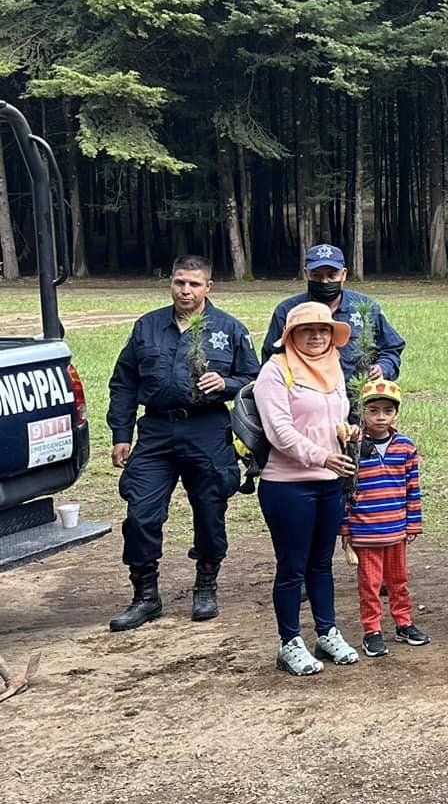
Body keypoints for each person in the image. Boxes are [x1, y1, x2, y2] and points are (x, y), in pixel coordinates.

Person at [104, 255, 259, 632]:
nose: (185, 290)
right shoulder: (147, 327)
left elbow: (255, 379)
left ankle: (206, 584)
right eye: (179, 282)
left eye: (193, 284)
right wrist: (122, 435)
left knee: (209, 511)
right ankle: (145, 596)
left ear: (209, 287)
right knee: (140, 514)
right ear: (170, 283)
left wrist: (227, 384)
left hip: (207, 430)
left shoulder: (229, 329)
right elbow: (123, 382)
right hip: (156, 432)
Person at [252, 301, 360, 676]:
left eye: (324, 330)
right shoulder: (276, 371)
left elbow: (338, 416)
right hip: (288, 485)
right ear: (291, 336)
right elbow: (280, 432)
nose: (317, 336)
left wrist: (347, 431)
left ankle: (327, 631)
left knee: (322, 564)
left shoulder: (334, 369)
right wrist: (323, 457)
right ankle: (290, 642)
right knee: (292, 568)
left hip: (330, 482)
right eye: (307, 330)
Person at [343, 377, 426, 657]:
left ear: (396, 413)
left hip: (396, 530)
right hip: (365, 532)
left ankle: (403, 623)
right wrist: (345, 530)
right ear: (363, 412)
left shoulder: (405, 446)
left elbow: (412, 487)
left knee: (399, 580)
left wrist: (413, 522)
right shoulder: (352, 446)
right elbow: (344, 489)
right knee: (370, 585)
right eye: (373, 410)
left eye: (387, 411)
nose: (380, 417)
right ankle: (372, 630)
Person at [263, 243, 404, 385]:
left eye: (331, 275)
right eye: (317, 276)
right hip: (304, 396)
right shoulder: (287, 310)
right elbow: (272, 356)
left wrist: (383, 368)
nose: (324, 281)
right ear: (306, 274)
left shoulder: (365, 308)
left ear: (343, 274)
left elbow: (391, 347)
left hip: (358, 396)